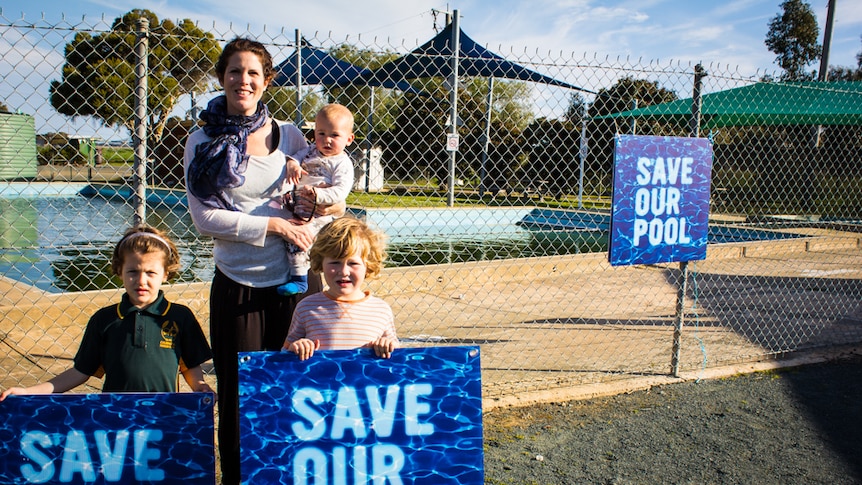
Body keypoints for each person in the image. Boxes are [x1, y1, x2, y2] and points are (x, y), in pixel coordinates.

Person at [182, 37, 344, 485]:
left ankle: (288, 474)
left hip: (294, 286)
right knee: (238, 395)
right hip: (237, 284)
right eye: (235, 71)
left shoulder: (290, 135)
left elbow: (329, 197)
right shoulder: (201, 140)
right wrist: (274, 227)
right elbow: (204, 218)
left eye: (254, 73)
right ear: (222, 77)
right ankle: (238, 477)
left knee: (293, 388)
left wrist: (323, 209)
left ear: (267, 80)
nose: (244, 81)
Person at [0, 225, 213, 401]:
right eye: (133, 271)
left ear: (166, 274)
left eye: (151, 272)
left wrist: (200, 386)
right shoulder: (104, 320)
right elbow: (80, 372)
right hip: (114, 417)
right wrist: (28, 392)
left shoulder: (180, 317)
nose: (141, 280)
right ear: (119, 270)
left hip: (163, 416)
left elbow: (190, 366)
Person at [283, 216, 398, 361]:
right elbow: (285, 352)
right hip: (322, 382)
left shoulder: (381, 310)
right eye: (335, 262)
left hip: (363, 381)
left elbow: (397, 354)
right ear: (321, 263)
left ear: (368, 266)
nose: (343, 271)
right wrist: (297, 347)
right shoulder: (307, 308)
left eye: (353, 263)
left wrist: (388, 345)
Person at [277, 103, 355, 296]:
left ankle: (300, 280)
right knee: (290, 240)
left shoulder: (342, 164)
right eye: (321, 133)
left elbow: (340, 192)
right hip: (299, 207)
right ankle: (296, 274)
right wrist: (293, 165)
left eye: (334, 135)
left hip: (320, 214)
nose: (326, 140)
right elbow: (294, 157)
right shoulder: (310, 151)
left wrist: (319, 195)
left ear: (349, 139)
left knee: (302, 241)